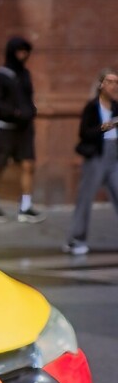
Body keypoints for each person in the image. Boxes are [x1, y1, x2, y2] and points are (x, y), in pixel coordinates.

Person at [0, 36, 44, 223]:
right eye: (20, 51)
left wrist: (30, 111)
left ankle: (25, 207)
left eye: (26, 52)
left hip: (24, 128)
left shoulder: (25, 74)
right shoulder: (1, 75)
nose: (23, 55)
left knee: (28, 165)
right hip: (4, 127)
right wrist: (14, 112)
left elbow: (28, 96)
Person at [63, 68, 118, 255]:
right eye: (110, 82)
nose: (114, 86)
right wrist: (108, 125)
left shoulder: (116, 107)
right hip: (96, 156)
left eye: (116, 82)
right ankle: (76, 239)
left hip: (114, 157)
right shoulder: (92, 107)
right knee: (85, 199)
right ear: (101, 85)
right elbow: (84, 133)